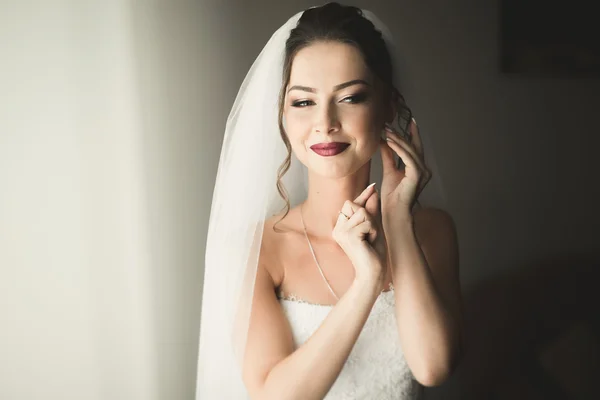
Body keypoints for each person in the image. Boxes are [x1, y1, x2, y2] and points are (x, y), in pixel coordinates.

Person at [196, 3, 463, 399]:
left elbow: (433, 366)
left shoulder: (431, 230)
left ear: (388, 105)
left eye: (351, 97)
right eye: (303, 102)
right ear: (282, 115)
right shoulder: (257, 249)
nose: (325, 122)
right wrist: (366, 282)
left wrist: (397, 220)